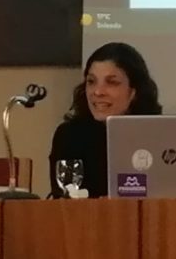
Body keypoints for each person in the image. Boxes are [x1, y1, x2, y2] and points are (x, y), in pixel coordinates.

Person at [48, 42, 162, 198]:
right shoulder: (69, 135)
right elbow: (64, 200)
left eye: (112, 82)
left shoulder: (157, 134)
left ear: (134, 92)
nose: (98, 92)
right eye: (91, 81)